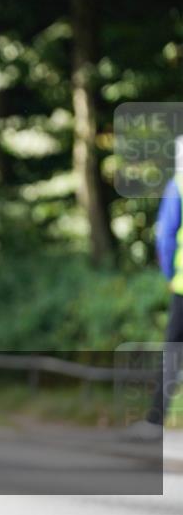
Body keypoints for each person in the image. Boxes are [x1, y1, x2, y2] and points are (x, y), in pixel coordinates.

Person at [148, 135, 183, 428]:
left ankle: (155, 420)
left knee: (172, 353)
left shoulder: (178, 185)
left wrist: (171, 276)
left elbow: (165, 237)